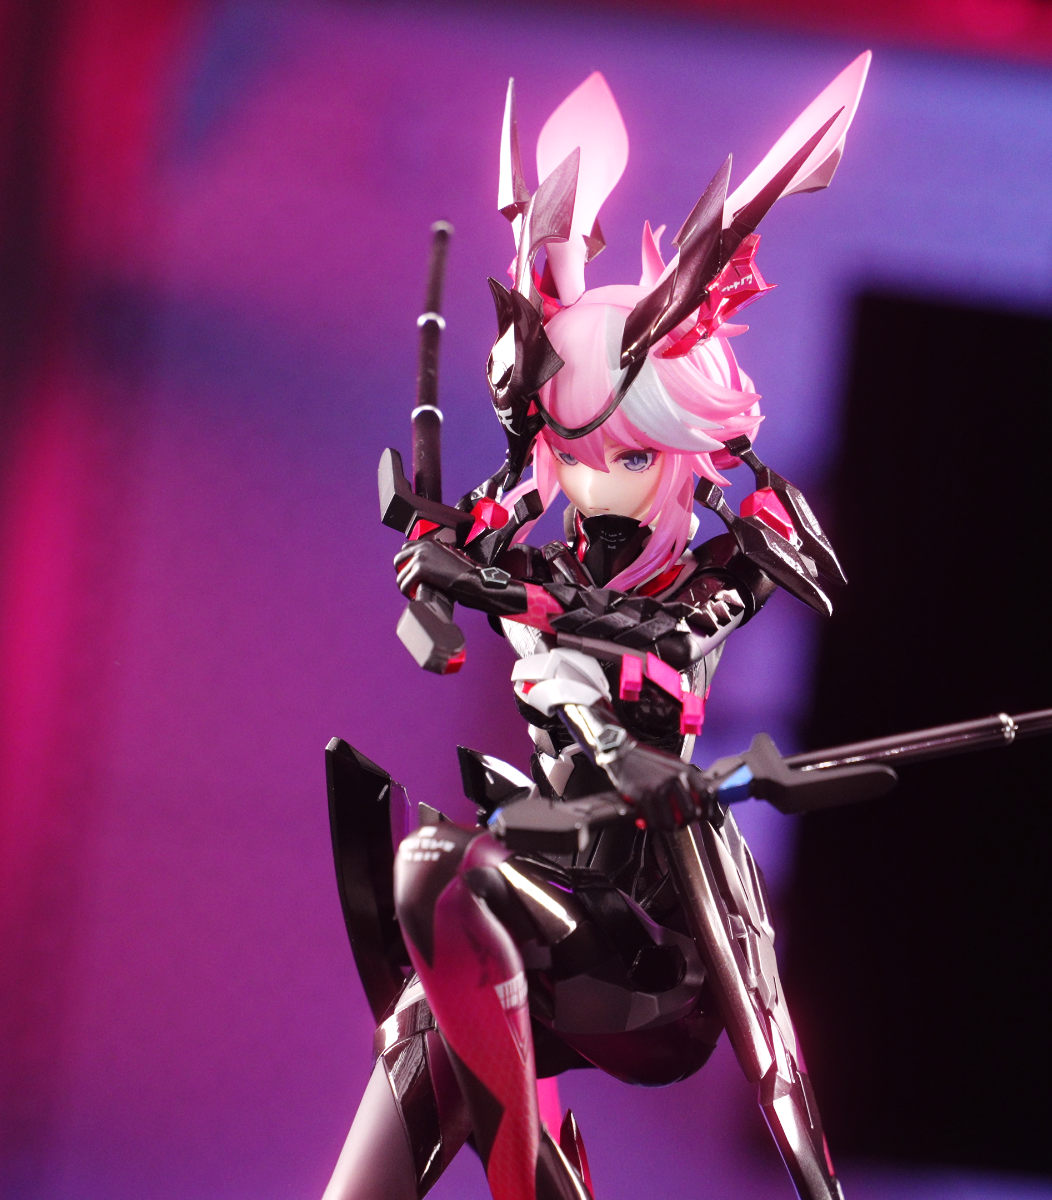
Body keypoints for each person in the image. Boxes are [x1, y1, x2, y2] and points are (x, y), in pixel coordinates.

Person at [325, 55, 870, 1200]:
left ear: (685, 452)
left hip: (655, 956)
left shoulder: (715, 577)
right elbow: (499, 556)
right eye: (572, 461)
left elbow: (649, 638)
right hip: (537, 918)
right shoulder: (544, 546)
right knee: (416, 1029)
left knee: (436, 871)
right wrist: (448, 552)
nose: (591, 489)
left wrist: (494, 590)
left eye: (623, 459)